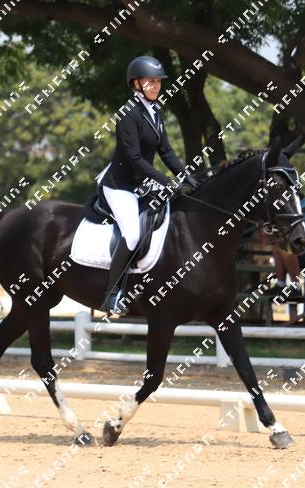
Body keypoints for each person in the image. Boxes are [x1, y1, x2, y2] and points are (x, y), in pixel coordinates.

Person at [95, 56, 198, 314]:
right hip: (120, 186)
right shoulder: (128, 114)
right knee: (132, 234)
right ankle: (111, 294)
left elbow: (166, 151)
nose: (155, 86)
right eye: (150, 81)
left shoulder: (155, 112)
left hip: (142, 184)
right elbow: (134, 158)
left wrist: (187, 177)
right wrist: (165, 180)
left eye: (158, 82)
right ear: (136, 84)